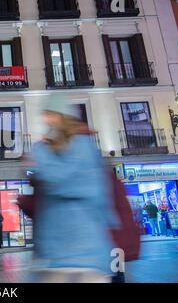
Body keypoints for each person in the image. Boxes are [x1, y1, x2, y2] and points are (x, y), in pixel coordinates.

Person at [28, 94, 119, 283]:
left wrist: (38, 159)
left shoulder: (46, 151)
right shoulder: (86, 148)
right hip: (86, 250)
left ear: (61, 116)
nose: (45, 119)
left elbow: (55, 182)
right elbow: (101, 195)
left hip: (66, 253)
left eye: (49, 114)